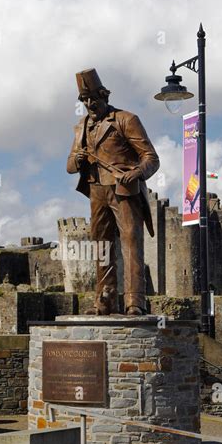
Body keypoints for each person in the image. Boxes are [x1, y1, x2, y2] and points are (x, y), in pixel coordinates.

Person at [67, 68, 160, 315]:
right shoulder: (81, 128)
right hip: (96, 192)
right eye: (84, 101)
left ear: (104, 95)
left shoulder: (126, 120)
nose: (89, 104)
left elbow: (151, 158)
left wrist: (137, 172)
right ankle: (105, 300)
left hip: (124, 191)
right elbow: (69, 166)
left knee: (131, 244)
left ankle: (134, 302)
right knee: (101, 246)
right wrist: (77, 159)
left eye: (93, 99)